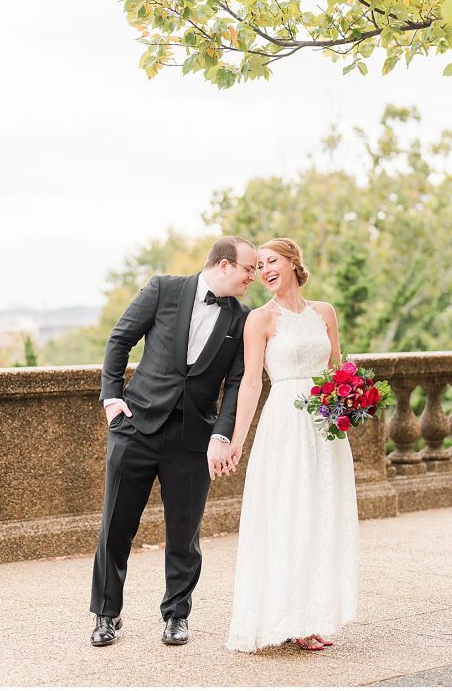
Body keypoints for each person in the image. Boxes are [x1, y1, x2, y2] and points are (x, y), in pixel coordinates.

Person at [89, 236, 257, 648]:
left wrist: (222, 432)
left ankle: (177, 615)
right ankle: (106, 615)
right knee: (115, 526)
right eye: (248, 268)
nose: (253, 276)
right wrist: (112, 399)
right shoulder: (164, 288)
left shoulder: (243, 318)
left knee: (185, 534)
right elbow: (120, 339)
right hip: (136, 427)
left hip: (194, 438)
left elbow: (236, 382)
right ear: (223, 265)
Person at [226, 238, 358, 652]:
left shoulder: (325, 313)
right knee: (291, 512)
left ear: (292, 262)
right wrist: (236, 441)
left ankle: (315, 613)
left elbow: (338, 371)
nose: (264, 269)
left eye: (271, 261)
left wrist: (351, 405)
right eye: (259, 264)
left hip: (323, 425)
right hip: (284, 422)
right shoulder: (260, 320)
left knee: (321, 513)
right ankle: (292, 618)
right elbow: (250, 383)